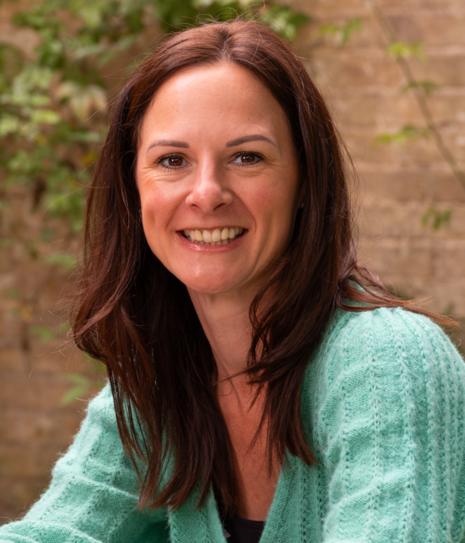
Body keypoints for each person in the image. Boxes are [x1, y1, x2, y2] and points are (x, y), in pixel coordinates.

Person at [1, 18, 465, 543]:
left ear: (306, 181)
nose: (206, 193)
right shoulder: (158, 383)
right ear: (133, 191)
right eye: (172, 160)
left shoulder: (387, 362)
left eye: (247, 157)